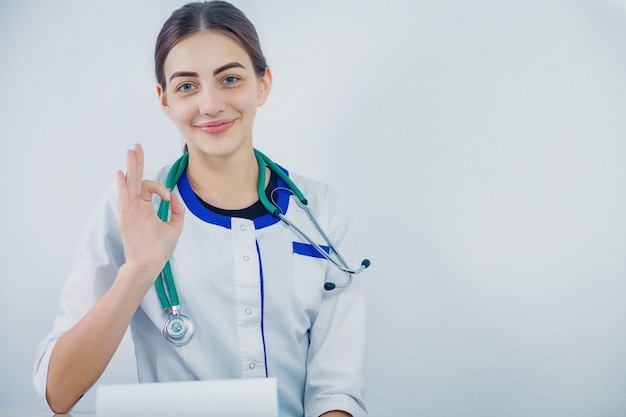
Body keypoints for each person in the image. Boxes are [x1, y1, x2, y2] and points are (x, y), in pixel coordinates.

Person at [32, 2, 367, 417]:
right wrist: (138, 270)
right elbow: (58, 390)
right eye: (187, 86)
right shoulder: (134, 211)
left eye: (230, 78)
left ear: (263, 84)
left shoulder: (320, 210)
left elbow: (335, 394)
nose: (210, 104)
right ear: (165, 99)